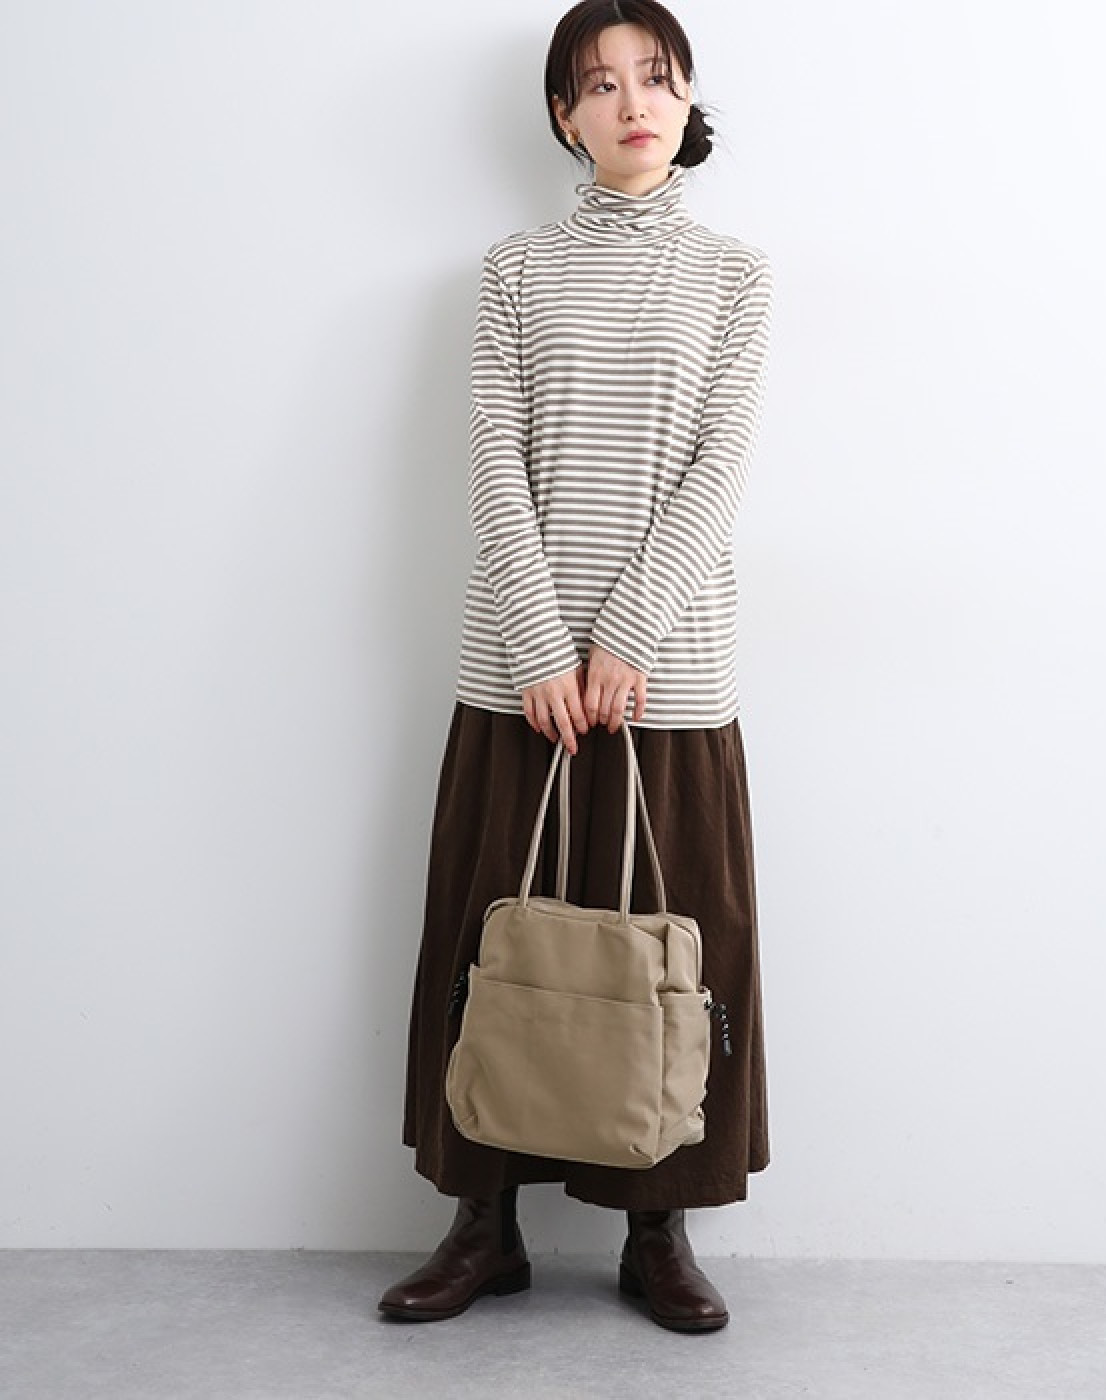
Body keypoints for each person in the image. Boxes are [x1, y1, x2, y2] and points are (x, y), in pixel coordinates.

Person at [378, 0, 774, 1333]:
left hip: (671, 673)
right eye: (600, 85)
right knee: (494, 937)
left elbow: (719, 469)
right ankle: (480, 1225)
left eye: (657, 77)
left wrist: (627, 634)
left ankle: (658, 1230)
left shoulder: (735, 275)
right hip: (522, 672)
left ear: (686, 97)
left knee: (677, 948)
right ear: (565, 115)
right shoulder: (514, 270)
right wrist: (547, 642)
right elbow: (493, 460)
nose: (633, 102)